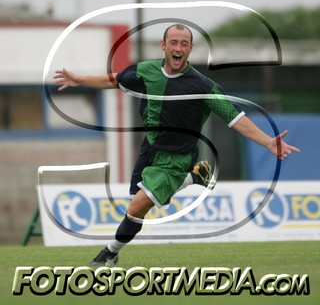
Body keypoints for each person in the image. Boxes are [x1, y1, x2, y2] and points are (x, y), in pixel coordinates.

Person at [54, 24, 300, 266]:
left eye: (184, 43)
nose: (178, 47)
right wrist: (80, 79)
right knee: (136, 209)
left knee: (136, 205)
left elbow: (235, 118)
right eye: (173, 42)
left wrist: (268, 141)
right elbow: (116, 79)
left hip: (177, 157)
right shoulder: (146, 71)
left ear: (190, 49)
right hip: (149, 149)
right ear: (163, 46)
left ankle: (109, 253)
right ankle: (193, 179)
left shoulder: (203, 87)